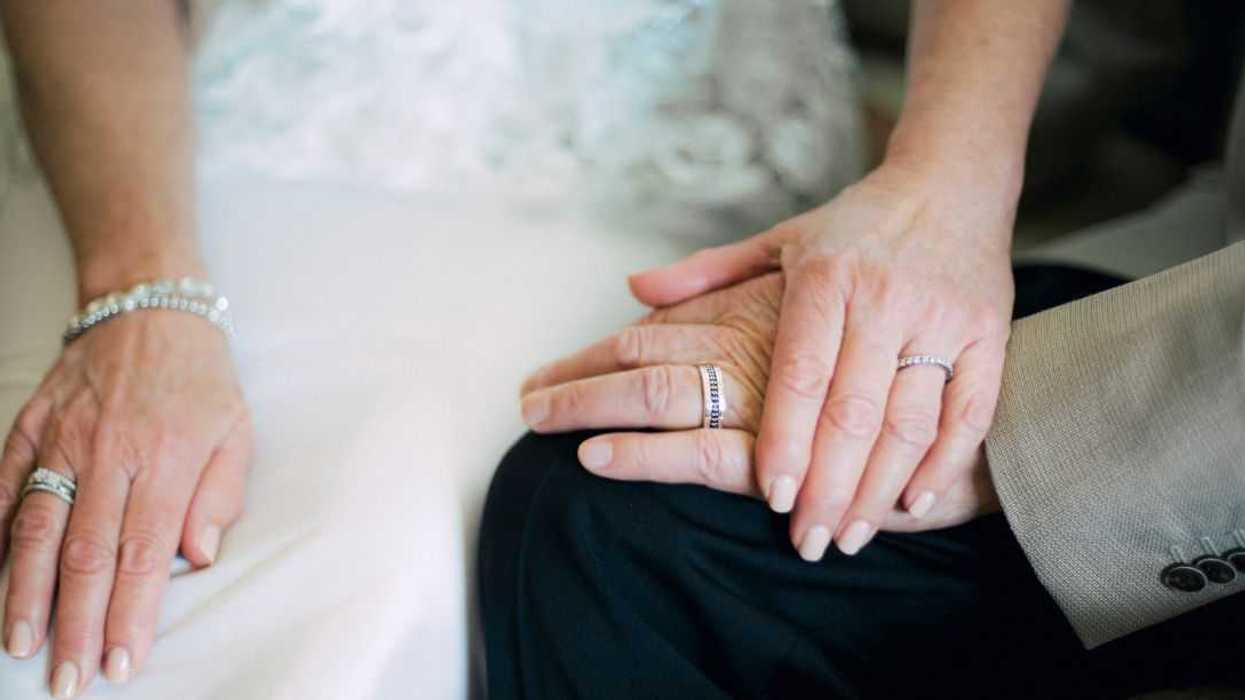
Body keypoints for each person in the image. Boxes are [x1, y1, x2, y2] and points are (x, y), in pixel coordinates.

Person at [0, 1, 863, 697]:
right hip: (198, 138)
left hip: (678, 174)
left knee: (394, 563)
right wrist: (142, 297)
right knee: (124, 581)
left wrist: (948, 202)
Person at [479, 1, 1245, 697]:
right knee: (619, 490)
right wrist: (941, 187)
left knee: (635, 521)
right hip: (1203, 252)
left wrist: (1046, 436)